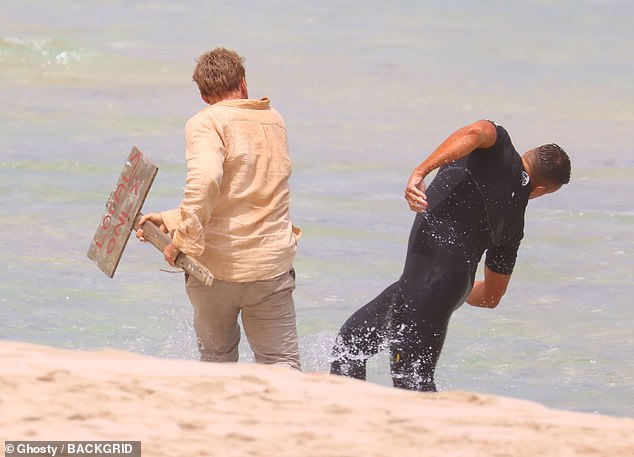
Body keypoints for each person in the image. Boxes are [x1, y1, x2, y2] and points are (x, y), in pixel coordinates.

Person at [330, 119, 571, 391]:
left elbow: (476, 130)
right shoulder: (515, 226)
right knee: (353, 344)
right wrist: (452, 291)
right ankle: (355, 423)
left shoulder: (500, 147)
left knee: (408, 379)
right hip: (442, 284)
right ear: (539, 190)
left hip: (428, 280)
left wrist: (420, 172)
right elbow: (492, 296)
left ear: (528, 154)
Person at [136, 47, 301, 370]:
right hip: (270, 264)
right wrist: (170, 219)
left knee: (216, 362)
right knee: (281, 363)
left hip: (216, 270)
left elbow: (208, 181)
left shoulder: (205, 122)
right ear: (243, 82)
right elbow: (247, 191)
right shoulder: (274, 119)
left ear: (202, 94)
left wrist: (181, 242)